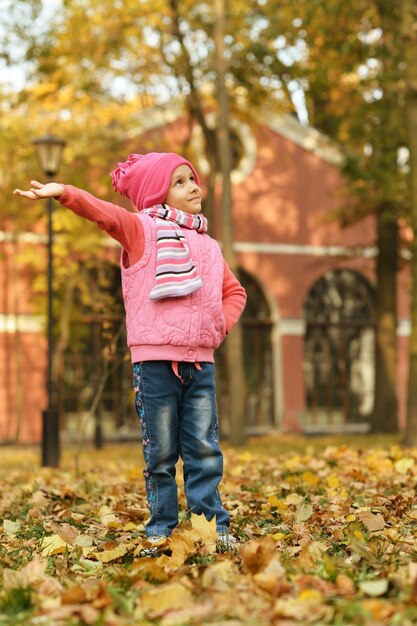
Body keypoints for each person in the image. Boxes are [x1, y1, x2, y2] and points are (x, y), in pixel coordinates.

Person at [14, 151, 247, 554]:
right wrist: (66, 192)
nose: (193, 186)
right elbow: (106, 214)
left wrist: (219, 324)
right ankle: (161, 528)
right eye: (179, 182)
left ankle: (211, 527)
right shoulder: (142, 231)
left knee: (204, 451)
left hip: (200, 363)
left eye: (192, 178)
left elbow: (235, 292)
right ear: (157, 193)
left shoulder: (210, 246)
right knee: (160, 453)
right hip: (154, 364)